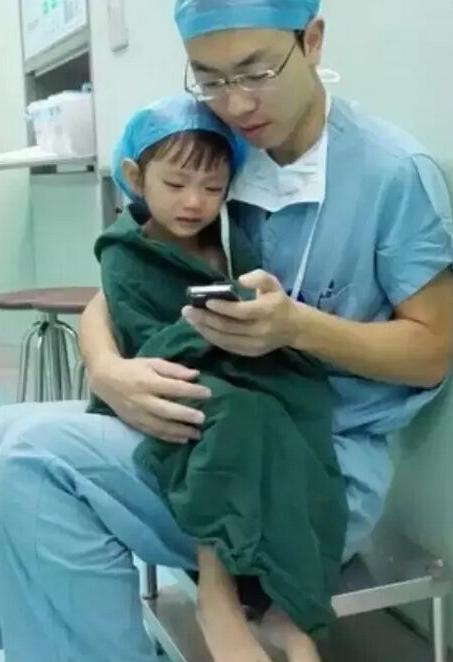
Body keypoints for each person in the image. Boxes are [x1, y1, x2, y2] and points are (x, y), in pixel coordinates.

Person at [0, 1, 453, 660]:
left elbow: (430, 350)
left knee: (36, 457)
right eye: (210, 78)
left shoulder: (391, 175)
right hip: (208, 420)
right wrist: (109, 370)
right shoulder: (223, 156)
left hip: (311, 463)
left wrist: (296, 327)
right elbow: (119, 287)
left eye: (256, 71)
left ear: (311, 41)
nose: (236, 102)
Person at [92, 93, 347, 661]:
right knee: (237, 416)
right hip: (170, 384)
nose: (194, 201)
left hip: (243, 367)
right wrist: (205, 322)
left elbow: (259, 311)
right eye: (176, 183)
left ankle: (290, 607)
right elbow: (144, 344)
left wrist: (253, 310)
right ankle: (218, 594)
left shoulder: (228, 238)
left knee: (301, 417)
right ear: (135, 176)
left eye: (212, 188)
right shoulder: (124, 254)